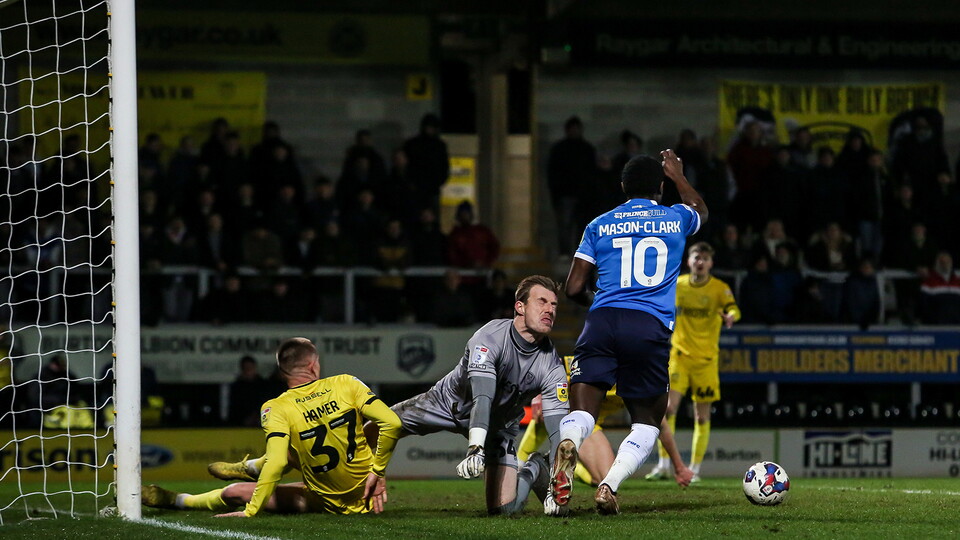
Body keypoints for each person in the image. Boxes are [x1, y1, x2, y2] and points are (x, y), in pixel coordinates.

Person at [551, 149, 706, 515]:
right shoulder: (675, 218)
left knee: (585, 409)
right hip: (648, 326)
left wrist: (604, 304)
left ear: (623, 187)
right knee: (647, 422)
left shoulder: (598, 224)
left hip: (602, 321)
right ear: (661, 187)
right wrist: (679, 175)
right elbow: (700, 209)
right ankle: (609, 485)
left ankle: (570, 441)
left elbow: (572, 288)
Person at [367, 275, 570, 516]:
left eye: (554, 305)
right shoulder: (490, 338)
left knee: (504, 511)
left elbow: (559, 430)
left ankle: (534, 467)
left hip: (497, 428)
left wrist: (558, 482)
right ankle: (343, 482)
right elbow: (481, 398)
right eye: (542, 301)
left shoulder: (552, 367)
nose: (549, 310)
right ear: (520, 306)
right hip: (444, 404)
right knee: (378, 425)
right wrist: (475, 448)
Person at [142, 337, 402, 516]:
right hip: (365, 492)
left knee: (235, 490)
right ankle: (247, 468)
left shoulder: (276, 407)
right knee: (366, 425)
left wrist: (252, 511)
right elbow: (392, 422)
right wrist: (377, 471)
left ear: (281, 373)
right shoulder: (347, 382)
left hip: (324, 495)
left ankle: (182, 497)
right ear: (313, 365)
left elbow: (277, 463)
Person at [518, 356, 693, 489]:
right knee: (515, 472)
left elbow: (660, 425)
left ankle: (549, 462)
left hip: (587, 426)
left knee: (603, 480)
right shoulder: (597, 362)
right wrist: (538, 394)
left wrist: (679, 467)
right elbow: (551, 367)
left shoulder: (637, 381)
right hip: (557, 416)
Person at [645, 242, 739, 483]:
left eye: (705, 258)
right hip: (679, 357)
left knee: (701, 417)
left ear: (711, 263)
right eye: (697, 257)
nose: (700, 261)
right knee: (667, 409)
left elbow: (734, 309)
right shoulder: (678, 285)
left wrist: (730, 316)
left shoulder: (719, 288)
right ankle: (664, 464)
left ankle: (694, 469)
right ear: (689, 261)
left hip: (706, 360)